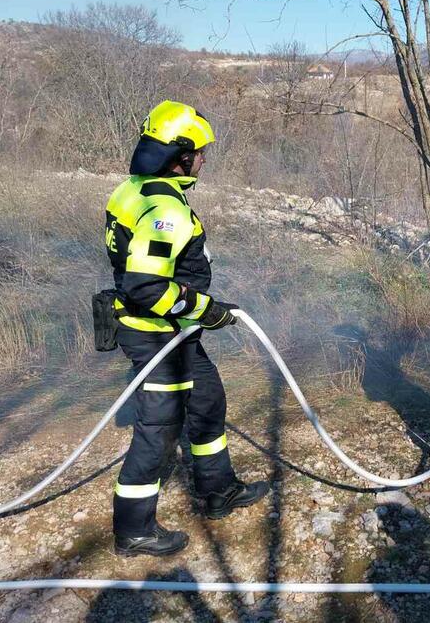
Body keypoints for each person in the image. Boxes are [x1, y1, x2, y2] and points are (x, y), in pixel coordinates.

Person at [104, 100, 267, 557]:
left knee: (208, 401)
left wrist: (199, 310)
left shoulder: (132, 190)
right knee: (158, 430)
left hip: (176, 332)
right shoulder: (165, 209)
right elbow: (144, 285)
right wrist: (204, 307)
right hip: (156, 335)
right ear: (180, 154)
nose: (203, 160)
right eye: (199, 151)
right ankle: (133, 530)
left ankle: (218, 490)